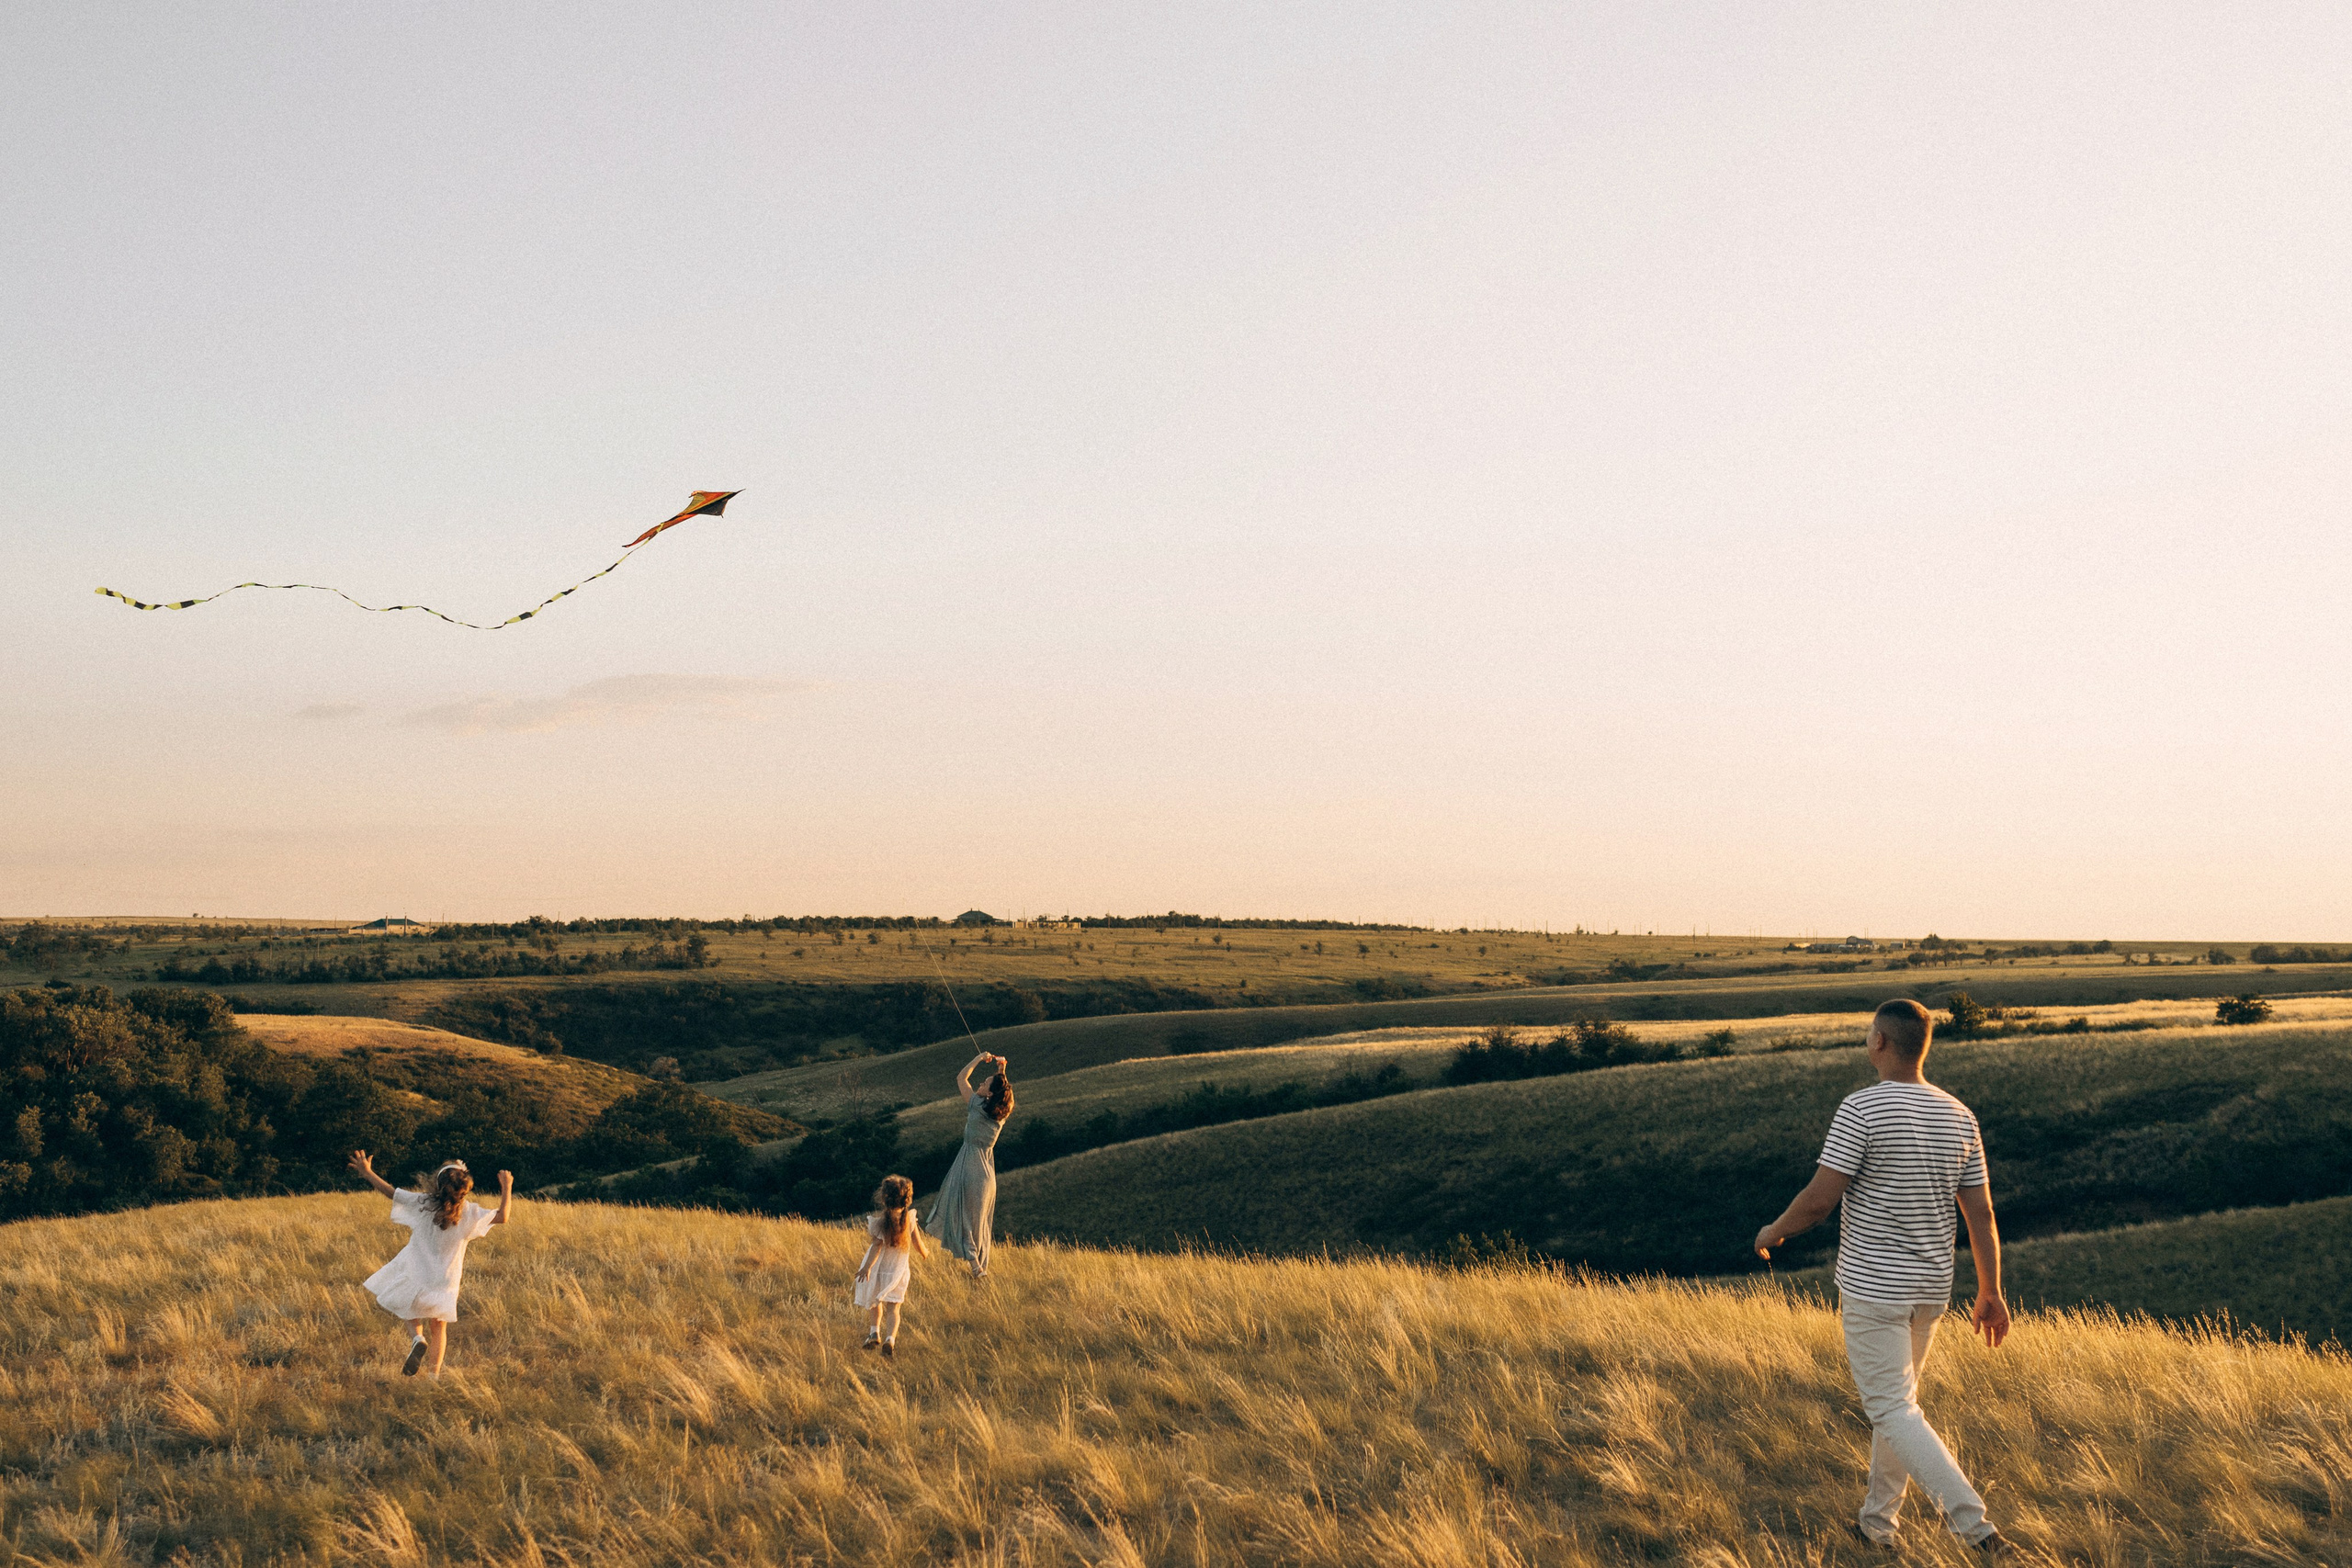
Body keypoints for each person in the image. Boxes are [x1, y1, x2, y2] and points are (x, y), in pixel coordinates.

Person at [1753, 998, 2018, 1557]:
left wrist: (1773, 1231)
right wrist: (1990, 1291)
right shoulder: (1959, 1115)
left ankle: (1977, 1530)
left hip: (1875, 1290)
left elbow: (1820, 1201)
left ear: (1879, 1042)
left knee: (1892, 1409)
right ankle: (1877, 1526)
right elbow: (1982, 1215)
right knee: (1901, 1408)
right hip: (1931, 1290)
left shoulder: (1861, 1110)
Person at [348, 1151, 514, 1379]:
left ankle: (417, 1339)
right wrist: (506, 1186)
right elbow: (503, 1217)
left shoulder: (423, 1203)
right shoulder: (471, 1212)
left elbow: (391, 1192)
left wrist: (367, 1173)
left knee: (403, 1303)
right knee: (439, 1328)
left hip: (418, 1271)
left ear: (438, 1184)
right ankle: (433, 1377)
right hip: (447, 1279)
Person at [926, 1050, 1012, 1279]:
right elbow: (1003, 1089)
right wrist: (1001, 1069)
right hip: (987, 1174)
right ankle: (979, 1266)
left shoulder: (976, 1105)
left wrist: (977, 1059)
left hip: (969, 1168)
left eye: (984, 1083)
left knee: (963, 1219)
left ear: (989, 1093)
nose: (980, 1084)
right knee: (979, 1224)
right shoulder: (1001, 1114)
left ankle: (976, 1268)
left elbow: (961, 1078)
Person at [853, 1173, 928, 1357]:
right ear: (907, 1199)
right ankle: (890, 1340)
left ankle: (874, 1332)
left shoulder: (880, 1222)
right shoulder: (909, 1219)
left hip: (878, 1270)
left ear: (884, 1198)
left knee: (874, 1302)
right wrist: (925, 1253)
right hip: (898, 1271)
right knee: (894, 1308)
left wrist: (867, 1267)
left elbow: (876, 1247)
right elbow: (917, 1243)